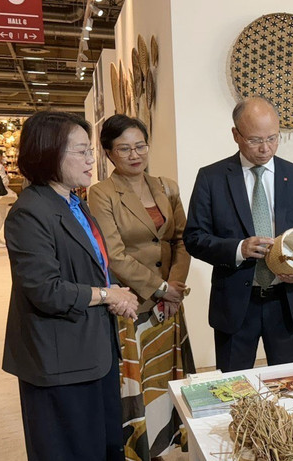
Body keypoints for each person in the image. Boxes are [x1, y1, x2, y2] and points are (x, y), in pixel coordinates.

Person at [1, 111, 139, 460]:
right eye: (80, 151)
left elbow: (92, 266)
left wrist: (115, 291)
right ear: (48, 153)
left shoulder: (74, 201)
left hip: (93, 351)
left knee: (104, 445)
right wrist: (108, 294)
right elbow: (46, 290)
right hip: (59, 361)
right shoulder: (30, 212)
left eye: (90, 150)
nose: (92, 159)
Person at [184, 96, 293, 372]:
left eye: (273, 138)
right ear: (236, 135)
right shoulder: (212, 179)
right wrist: (238, 249)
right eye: (255, 140)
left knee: (287, 389)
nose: (265, 148)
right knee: (234, 392)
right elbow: (194, 238)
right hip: (235, 305)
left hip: (285, 304)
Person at [88, 115, 196, 460]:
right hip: (135, 300)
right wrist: (161, 288)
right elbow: (114, 255)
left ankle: (166, 444)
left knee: (167, 378)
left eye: (140, 146)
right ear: (108, 153)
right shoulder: (101, 193)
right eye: (124, 148)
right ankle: (141, 451)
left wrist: (175, 288)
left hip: (169, 299)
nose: (135, 155)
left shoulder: (167, 186)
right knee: (140, 382)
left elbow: (182, 239)